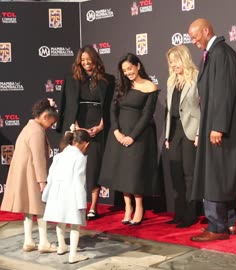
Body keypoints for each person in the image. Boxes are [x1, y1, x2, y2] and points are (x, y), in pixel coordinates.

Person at [187, 18, 236, 242]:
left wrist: (218, 127)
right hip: (216, 124)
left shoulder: (221, 53)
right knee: (221, 177)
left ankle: (217, 226)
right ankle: (229, 223)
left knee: (215, 177)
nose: (193, 40)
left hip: (219, 127)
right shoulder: (215, 53)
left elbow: (224, 93)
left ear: (206, 31)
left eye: (195, 36)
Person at [99, 53, 160, 226]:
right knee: (122, 173)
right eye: (124, 70)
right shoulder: (121, 86)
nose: (127, 73)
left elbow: (147, 115)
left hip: (139, 136)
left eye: (130, 68)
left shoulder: (150, 87)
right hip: (118, 134)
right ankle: (128, 208)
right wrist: (116, 131)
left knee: (134, 173)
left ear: (138, 66)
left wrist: (132, 136)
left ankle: (139, 207)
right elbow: (112, 110)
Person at [56, 45, 115, 220]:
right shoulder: (71, 78)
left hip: (98, 126)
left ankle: (93, 206)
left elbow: (111, 106)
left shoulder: (108, 80)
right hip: (77, 126)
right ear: (79, 62)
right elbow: (67, 104)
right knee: (74, 166)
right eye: (83, 61)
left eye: (89, 60)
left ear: (96, 60)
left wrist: (102, 126)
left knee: (94, 167)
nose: (87, 64)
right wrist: (75, 126)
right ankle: (73, 204)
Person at [0, 99, 58, 253]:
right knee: (40, 208)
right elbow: (38, 159)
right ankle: (44, 242)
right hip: (31, 174)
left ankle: (28, 241)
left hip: (25, 174)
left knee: (29, 209)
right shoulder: (36, 131)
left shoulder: (30, 127)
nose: (52, 126)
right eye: (52, 122)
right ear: (45, 116)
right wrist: (42, 181)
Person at [164, 45, 201, 228]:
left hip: (190, 130)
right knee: (175, 173)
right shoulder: (171, 81)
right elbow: (170, 110)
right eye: (170, 62)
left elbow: (203, 107)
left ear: (184, 58)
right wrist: (167, 135)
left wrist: (199, 132)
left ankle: (190, 215)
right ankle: (178, 213)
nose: (173, 64)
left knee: (189, 174)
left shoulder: (196, 77)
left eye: (175, 60)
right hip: (174, 131)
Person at [42, 129, 91, 264]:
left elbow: (50, 176)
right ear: (85, 144)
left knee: (60, 219)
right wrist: (82, 202)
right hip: (71, 193)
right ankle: (73, 255)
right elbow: (78, 181)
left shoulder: (59, 155)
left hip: (56, 192)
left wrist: (46, 194)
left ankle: (61, 246)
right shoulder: (80, 158)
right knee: (75, 224)